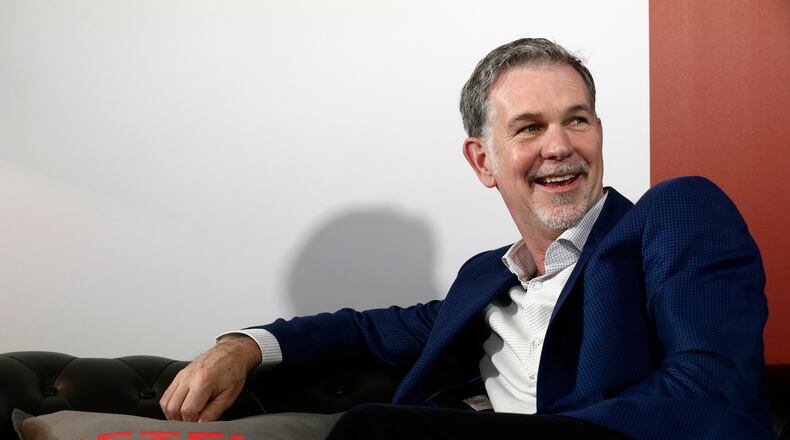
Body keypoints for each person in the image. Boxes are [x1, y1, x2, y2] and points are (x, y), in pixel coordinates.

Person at [160, 38, 773, 439]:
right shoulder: (486, 281)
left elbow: (712, 388)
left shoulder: (673, 214)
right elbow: (368, 331)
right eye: (529, 128)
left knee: (373, 429)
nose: (560, 145)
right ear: (483, 162)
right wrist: (243, 346)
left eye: (577, 120)